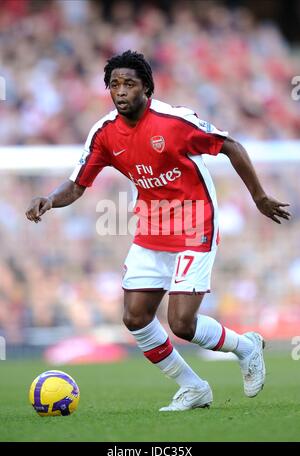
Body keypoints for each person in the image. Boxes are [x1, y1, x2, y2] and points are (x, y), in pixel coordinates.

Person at [26, 50, 291, 411]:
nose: (120, 91)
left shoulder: (174, 122)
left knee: (181, 323)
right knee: (135, 317)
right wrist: (50, 200)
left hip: (196, 221)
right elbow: (76, 184)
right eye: (114, 85)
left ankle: (246, 347)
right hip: (152, 226)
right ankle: (194, 388)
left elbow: (231, 146)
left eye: (129, 84)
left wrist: (259, 197)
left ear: (146, 89)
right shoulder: (104, 133)